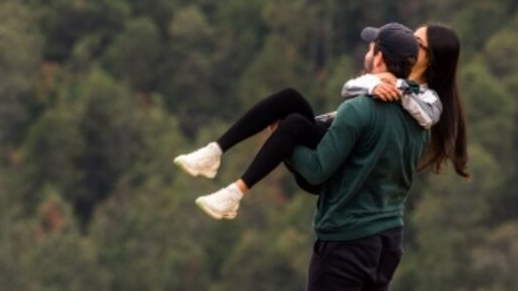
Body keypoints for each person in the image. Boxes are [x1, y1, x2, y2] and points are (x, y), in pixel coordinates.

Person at [278, 22, 468, 291]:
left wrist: (285, 143)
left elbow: (315, 171)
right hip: (388, 237)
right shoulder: (422, 116)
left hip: (345, 238)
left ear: (381, 57)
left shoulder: (364, 109)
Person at [173, 23, 442, 219]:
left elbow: (430, 113)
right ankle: (215, 152)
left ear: (380, 57)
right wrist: (375, 84)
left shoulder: (418, 94)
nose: (367, 54)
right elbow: (349, 86)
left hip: (332, 165)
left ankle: (235, 193)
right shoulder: (370, 83)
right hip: (332, 139)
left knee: (292, 124)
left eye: (371, 49)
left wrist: (398, 90)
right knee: (290, 97)